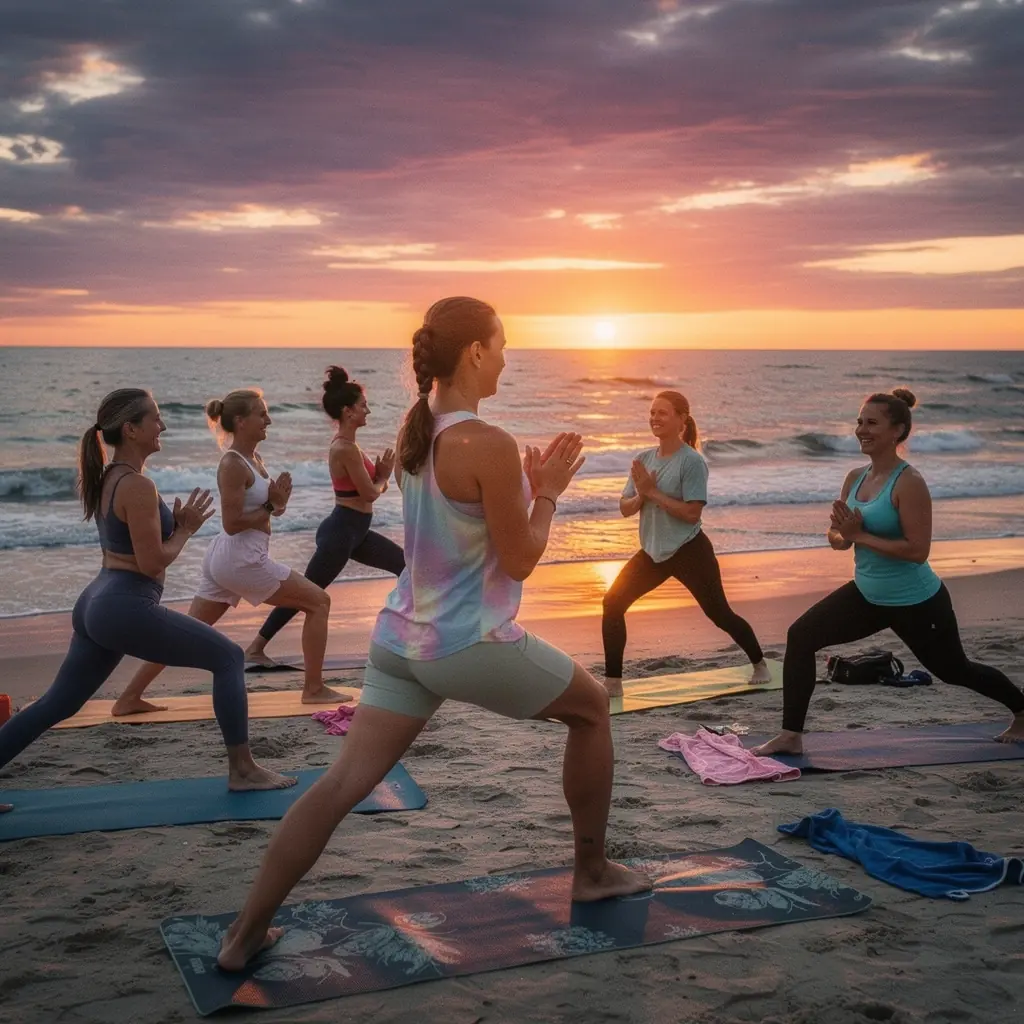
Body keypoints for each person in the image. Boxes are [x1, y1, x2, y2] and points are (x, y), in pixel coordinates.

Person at [216, 296, 651, 970]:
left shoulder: (421, 426)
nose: (507, 356)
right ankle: (591, 873)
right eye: (502, 343)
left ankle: (243, 937)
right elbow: (522, 558)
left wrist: (525, 489)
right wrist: (550, 492)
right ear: (476, 352)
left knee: (338, 786)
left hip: (400, 642)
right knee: (592, 710)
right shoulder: (487, 441)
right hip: (463, 643)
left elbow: (471, 524)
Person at [0, 389, 294, 815]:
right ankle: (243, 770)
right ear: (131, 429)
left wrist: (175, 524)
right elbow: (153, 559)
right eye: (156, 419)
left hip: (98, 601)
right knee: (229, 658)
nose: (163, 426)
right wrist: (185, 529)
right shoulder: (136, 484)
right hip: (124, 603)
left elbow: (132, 550)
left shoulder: (110, 478)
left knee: (56, 704)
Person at [753, 388, 1024, 757]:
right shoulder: (854, 478)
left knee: (954, 670)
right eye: (859, 422)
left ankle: (1022, 710)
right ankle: (790, 735)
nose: (861, 430)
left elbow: (917, 550)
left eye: (872, 423)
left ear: (897, 431)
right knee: (800, 635)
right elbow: (837, 537)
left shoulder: (909, 482)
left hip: (916, 601)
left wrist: (859, 534)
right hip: (868, 594)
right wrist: (841, 535)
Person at [112, 389, 343, 714]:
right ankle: (314, 689)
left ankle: (128, 698)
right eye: (261, 414)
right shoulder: (233, 464)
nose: (269, 420)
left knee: (186, 632)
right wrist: (271, 504)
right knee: (319, 602)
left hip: (227, 559)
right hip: (242, 559)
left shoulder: (254, 461)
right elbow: (233, 522)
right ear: (240, 420)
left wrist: (278, 505)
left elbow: (262, 512)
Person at [601, 391, 770, 698]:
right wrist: (642, 494)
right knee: (612, 603)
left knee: (719, 613)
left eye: (662, 413)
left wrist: (652, 493)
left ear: (681, 419)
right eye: (652, 412)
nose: (654, 418)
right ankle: (613, 682)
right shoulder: (643, 460)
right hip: (653, 551)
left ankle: (760, 663)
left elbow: (692, 514)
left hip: (689, 550)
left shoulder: (692, 462)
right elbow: (625, 508)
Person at [244, 366, 404, 666]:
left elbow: (367, 490)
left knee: (404, 566)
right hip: (341, 533)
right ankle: (254, 649)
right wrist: (383, 477)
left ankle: (403, 637)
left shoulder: (351, 446)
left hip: (355, 533)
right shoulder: (345, 449)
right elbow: (370, 493)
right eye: (362, 405)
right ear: (347, 411)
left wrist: (378, 478)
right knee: (308, 595)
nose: (367, 410)